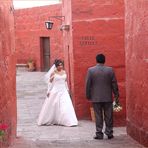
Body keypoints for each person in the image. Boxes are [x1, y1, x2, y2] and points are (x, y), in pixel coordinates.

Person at [85, 54, 119, 140]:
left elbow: (88, 84)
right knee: (109, 116)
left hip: (96, 97)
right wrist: (116, 94)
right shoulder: (110, 70)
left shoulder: (91, 70)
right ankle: (109, 132)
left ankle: (99, 133)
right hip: (107, 97)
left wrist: (88, 95)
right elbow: (114, 83)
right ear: (104, 60)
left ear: (96, 60)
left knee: (98, 116)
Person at [37, 59, 78, 126]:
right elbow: (50, 83)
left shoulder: (64, 72)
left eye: (61, 65)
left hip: (63, 91)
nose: (61, 66)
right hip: (56, 90)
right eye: (59, 65)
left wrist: (67, 90)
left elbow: (65, 82)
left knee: (66, 105)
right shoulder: (53, 73)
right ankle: (53, 118)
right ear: (56, 66)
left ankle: (68, 121)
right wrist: (48, 91)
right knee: (53, 105)